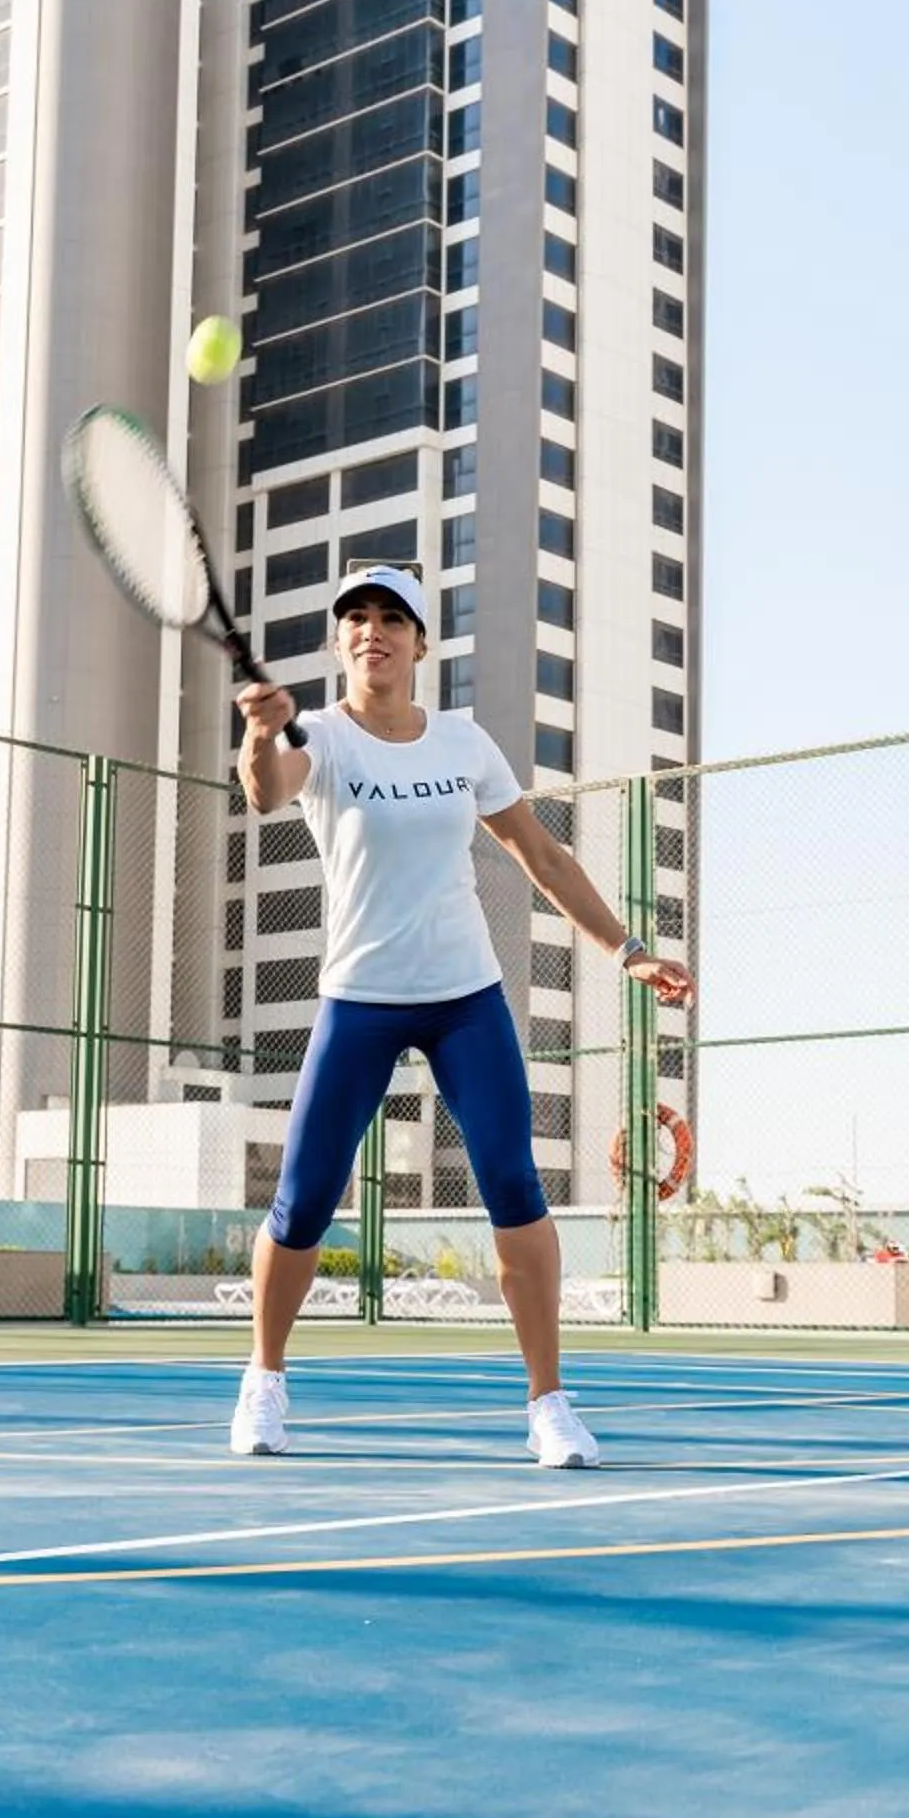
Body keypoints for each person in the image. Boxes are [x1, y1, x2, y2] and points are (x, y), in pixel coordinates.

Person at [229, 565, 695, 1468]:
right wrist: (255, 735)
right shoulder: (317, 736)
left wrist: (626, 950)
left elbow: (543, 857)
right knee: (303, 1199)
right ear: (339, 644)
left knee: (514, 1186)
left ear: (419, 644)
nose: (373, 631)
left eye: (391, 619)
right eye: (356, 620)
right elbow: (266, 791)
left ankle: (549, 1405)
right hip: (359, 997)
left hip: (463, 998)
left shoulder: (462, 743)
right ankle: (265, 1381)